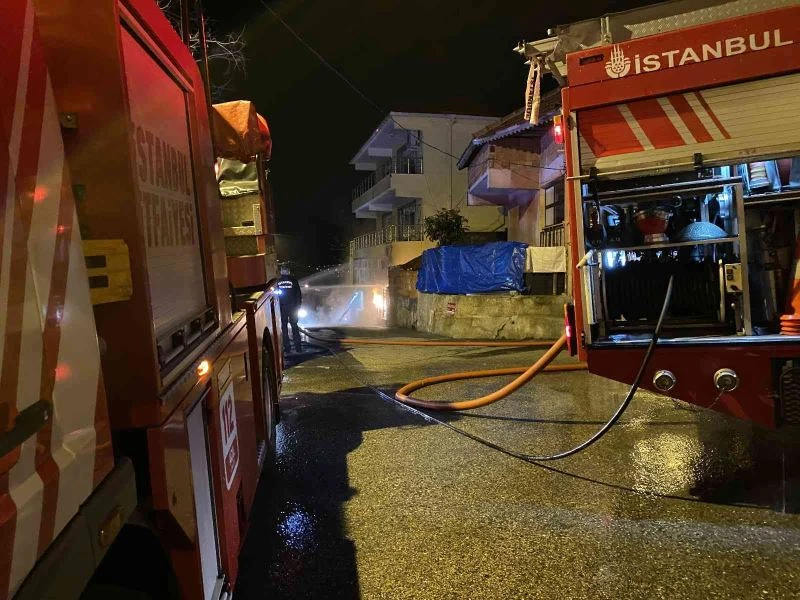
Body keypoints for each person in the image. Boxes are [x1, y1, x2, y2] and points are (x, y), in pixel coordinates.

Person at [275, 264, 302, 354]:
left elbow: (275, 295)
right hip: (293, 307)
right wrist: (298, 306)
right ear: (289, 271)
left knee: (284, 327)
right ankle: (298, 347)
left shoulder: (277, 282)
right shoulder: (294, 280)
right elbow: (298, 294)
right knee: (294, 326)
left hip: (282, 308)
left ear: (281, 271)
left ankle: (287, 347)